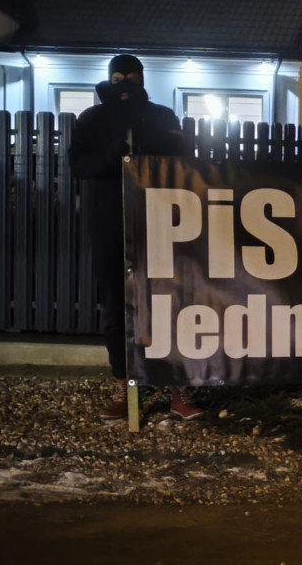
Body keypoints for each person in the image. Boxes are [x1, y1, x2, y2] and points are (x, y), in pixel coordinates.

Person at [70, 54, 204, 421]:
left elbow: (182, 159)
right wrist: (112, 155)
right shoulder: (92, 120)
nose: (124, 86)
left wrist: (153, 147)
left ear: (142, 80)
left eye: (131, 78)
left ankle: (175, 389)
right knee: (116, 306)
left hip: (156, 221)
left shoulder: (160, 117)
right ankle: (124, 389)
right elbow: (78, 166)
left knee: (162, 304)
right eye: (117, 79)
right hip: (109, 225)